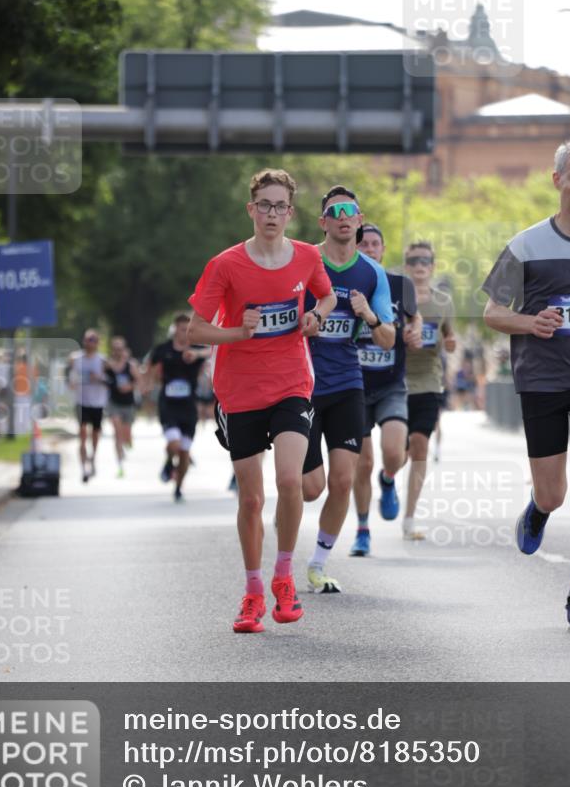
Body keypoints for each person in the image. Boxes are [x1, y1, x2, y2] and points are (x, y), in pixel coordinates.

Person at [187, 168, 336, 633]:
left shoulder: (308, 256)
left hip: (291, 382)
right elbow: (195, 331)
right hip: (239, 390)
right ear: (251, 210)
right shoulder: (226, 265)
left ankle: (283, 577)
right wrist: (238, 331)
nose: (272, 213)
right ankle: (252, 592)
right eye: (264, 205)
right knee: (251, 501)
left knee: (290, 479)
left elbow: (328, 299)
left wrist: (314, 316)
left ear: (290, 213)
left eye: (280, 206)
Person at [483, 139, 570, 633]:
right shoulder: (525, 245)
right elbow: (492, 314)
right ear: (557, 181)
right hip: (543, 383)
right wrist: (532, 323)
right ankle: (537, 510)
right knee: (552, 494)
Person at [302, 189, 395, 592]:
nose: (342, 217)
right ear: (323, 222)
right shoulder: (303, 261)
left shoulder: (372, 274)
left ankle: (318, 564)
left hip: (346, 382)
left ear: (359, 220)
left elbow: (389, 339)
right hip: (300, 384)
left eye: (350, 211)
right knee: (309, 489)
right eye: (333, 212)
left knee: (343, 480)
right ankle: (288, 504)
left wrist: (369, 315)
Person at [349, 223, 421, 556]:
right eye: (363, 244)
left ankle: (389, 479)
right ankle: (363, 530)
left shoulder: (399, 285)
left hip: (392, 382)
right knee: (361, 463)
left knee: (395, 453)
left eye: (375, 244)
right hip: (355, 385)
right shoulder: (343, 285)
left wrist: (414, 332)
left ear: (383, 249)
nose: (370, 248)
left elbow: (414, 318)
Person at [403, 241, 457, 539]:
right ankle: (387, 478)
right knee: (396, 455)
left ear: (432, 266)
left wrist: (450, 343)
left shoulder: (443, 302)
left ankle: (409, 518)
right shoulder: (396, 298)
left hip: (428, 381)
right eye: (414, 261)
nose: (420, 266)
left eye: (425, 260)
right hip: (397, 383)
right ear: (407, 266)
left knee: (420, 447)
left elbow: (449, 337)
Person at [147, 315, 208, 502]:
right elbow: (149, 365)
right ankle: (167, 463)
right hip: (169, 405)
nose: (184, 332)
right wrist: (150, 384)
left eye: (187, 328)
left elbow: (214, 351)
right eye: (181, 328)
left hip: (189, 406)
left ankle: (179, 487)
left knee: (184, 452)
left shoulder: (196, 349)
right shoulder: (163, 349)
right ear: (175, 329)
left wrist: (196, 355)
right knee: (174, 444)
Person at [66, 329, 109, 483]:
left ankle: (93, 457)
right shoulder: (75, 359)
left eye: (92, 340)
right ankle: (83, 467)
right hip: (81, 401)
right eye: (87, 340)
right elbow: (67, 375)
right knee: (82, 433)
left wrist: (98, 378)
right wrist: (70, 382)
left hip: (98, 402)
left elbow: (110, 381)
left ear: (97, 343)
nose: (89, 343)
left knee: (95, 434)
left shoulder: (102, 361)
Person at [105, 336, 139, 478]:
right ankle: (119, 465)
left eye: (120, 349)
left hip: (128, 403)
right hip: (114, 403)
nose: (118, 351)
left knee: (126, 435)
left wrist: (129, 387)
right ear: (112, 350)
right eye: (115, 349)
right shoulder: (108, 365)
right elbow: (103, 379)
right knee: (117, 432)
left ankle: (128, 442)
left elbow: (138, 380)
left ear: (124, 349)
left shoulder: (130, 365)